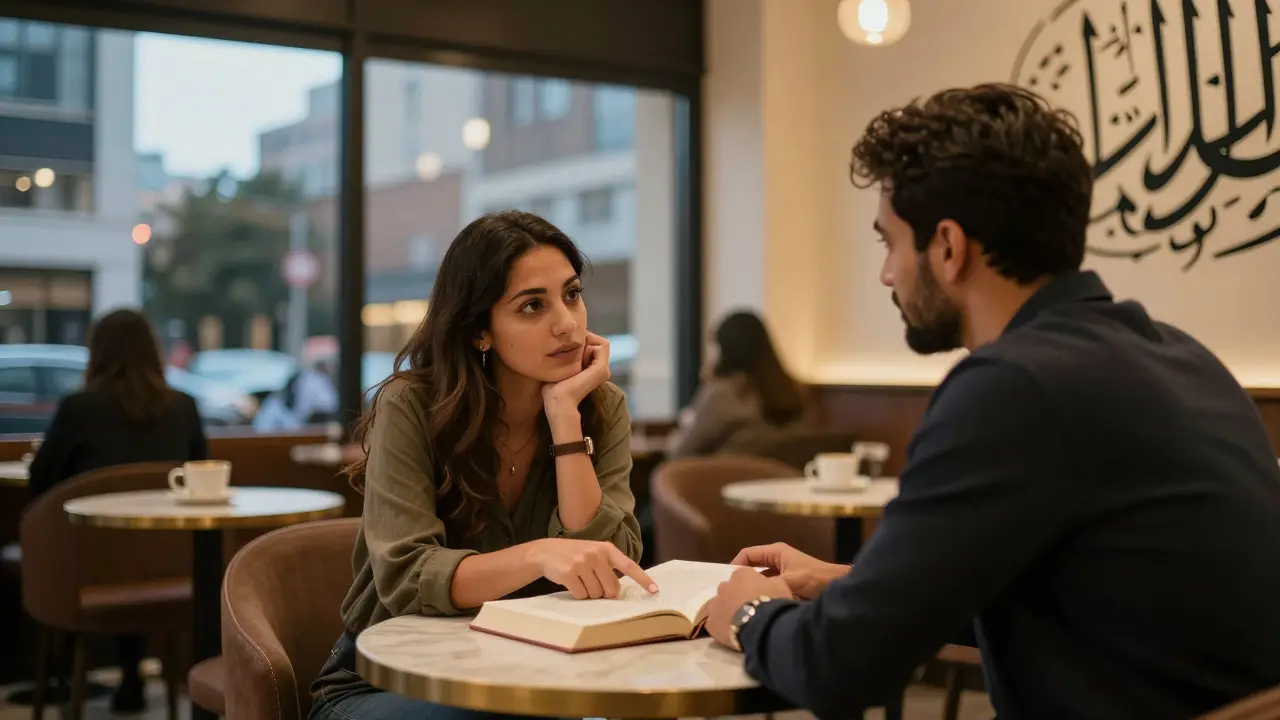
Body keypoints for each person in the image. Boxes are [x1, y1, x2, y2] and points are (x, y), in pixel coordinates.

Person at [703, 83, 1280, 719]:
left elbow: (838, 668)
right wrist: (844, 583)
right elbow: (1068, 599)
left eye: (889, 242)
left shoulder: (1014, 389)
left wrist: (750, 614)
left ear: (949, 248)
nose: (887, 274)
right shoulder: (1181, 357)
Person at [309, 210, 654, 720]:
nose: (566, 323)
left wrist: (564, 421)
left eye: (571, 294)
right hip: (383, 678)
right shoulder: (411, 406)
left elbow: (607, 560)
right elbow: (408, 578)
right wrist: (539, 556)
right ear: (479, 331)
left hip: (534, 673)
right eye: (532, 306)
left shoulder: (600, 408)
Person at [28, 308, 208, 713]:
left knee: (92, 547)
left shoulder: (78, 409)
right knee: (135, 549)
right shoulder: (184, 408)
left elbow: (41, 480)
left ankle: (66, 677)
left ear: (97, 353)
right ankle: (132, 676)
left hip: (87, 570)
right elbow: (201, 476)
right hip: (172, 568)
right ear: (153, 352)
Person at [667, 310, 807, 458]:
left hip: (726, 479)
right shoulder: (793, 392)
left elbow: (681, 452)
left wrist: (684, 429)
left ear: (723, 349)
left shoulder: (722, 394)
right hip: (782, 478)